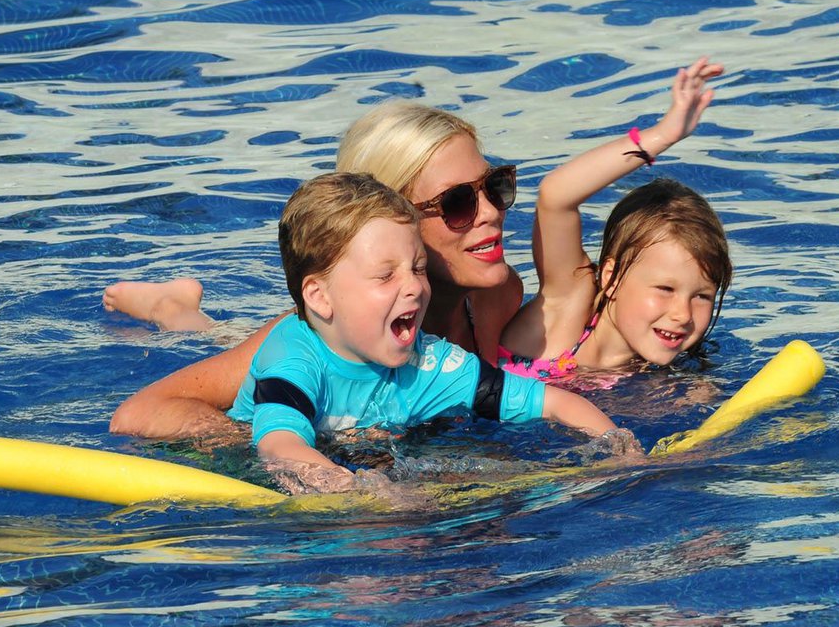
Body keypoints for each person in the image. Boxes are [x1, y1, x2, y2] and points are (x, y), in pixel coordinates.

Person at [109, 101, 524, 440]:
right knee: (233, 343)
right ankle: (173, 308)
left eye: (495, 186)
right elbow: (140, 412)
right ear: (387, 217)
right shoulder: (302, 339)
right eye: (457, 203)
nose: (492, 212)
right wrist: (266, 437)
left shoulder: (497, 296)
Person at [229, 172, 635, 494]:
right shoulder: (292, 358)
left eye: (418, 269)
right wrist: (354, 491)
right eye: (386, 275)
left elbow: (552, 401)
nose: (414, 287)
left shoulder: (429, 363)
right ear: (319, 296)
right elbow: (279, 448)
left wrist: (616, 443)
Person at [495, 57, 734, 381]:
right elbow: (556, 196)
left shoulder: (668, 379)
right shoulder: (566, 314)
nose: (682, 315)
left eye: (702, 296)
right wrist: (663, 135)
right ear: (611, 278)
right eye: (665, 288)